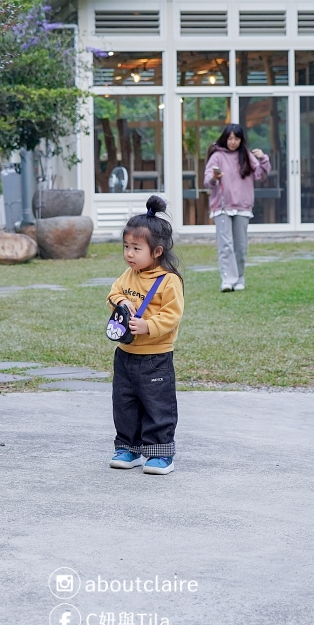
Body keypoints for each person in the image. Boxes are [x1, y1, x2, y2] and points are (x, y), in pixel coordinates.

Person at [106, 195, 185, 475]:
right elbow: (113, 293)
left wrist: (148, 326)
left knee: (157, 405)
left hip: (155, 357)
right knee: (124, 403)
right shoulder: (128, 275)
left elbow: (172, 315)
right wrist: (121, 302)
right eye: (126, 246)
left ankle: (160, 453)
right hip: (125, 355)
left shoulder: (168, 281)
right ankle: (127, 448)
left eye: (136, 248)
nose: (129, 254)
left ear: (157, 251)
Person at [203, 124, 270, 292]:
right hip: (222, 207)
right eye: (230, 138)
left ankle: (239, 278)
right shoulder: (217, 156)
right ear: (225, 138)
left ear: (241, 140)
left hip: (243, 206)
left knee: (240, 246)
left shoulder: (246, 155)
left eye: (236, 138)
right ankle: (227, 280)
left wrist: (263, 158)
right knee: (225, 245)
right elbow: (207, 182)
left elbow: (261, 175)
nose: (233, 142)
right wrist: (215, 178)